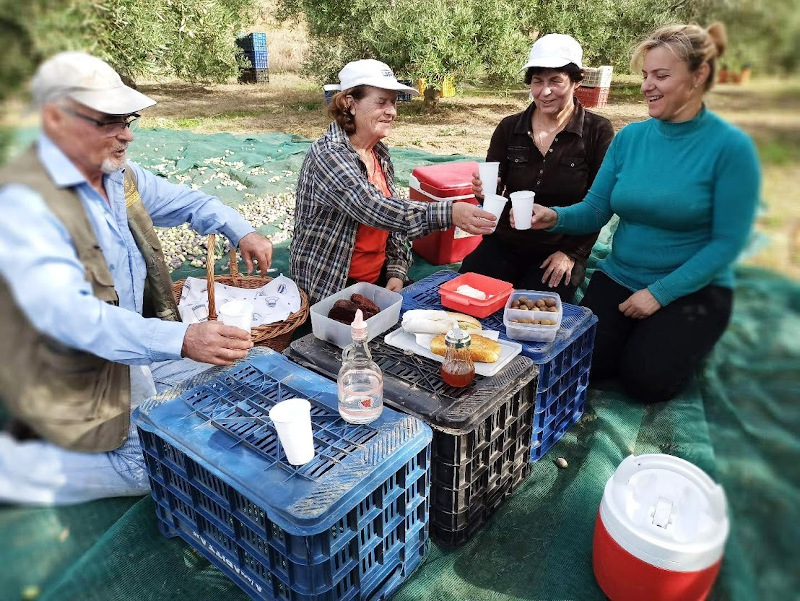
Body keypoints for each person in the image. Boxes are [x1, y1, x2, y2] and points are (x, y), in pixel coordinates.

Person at [0, 51, 275, 504]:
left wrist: (239, 228)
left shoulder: (117, 177)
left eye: (127, 119)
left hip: (129, 347)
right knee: (148, 467)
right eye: (109, 122)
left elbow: (187, 201)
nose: (126, 134)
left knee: (238, 364)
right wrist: (181, 340)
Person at [527, 23, 761, 403]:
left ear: (698, 77)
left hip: (694, 285)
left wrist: (659, 294)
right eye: (645, 75)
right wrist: (555, 217)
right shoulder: (631, 139)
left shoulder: (730, 148)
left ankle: (684, 337)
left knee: (645, 382)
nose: (646, 86)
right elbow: (595, 209)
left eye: (661, 75)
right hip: (622, 275)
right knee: (580, 362)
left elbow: (728, 243)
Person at [291, 59, 496, 304]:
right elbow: (372, 207)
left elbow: (394, 218)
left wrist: (397, 269)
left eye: (394, 102)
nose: (392, 111)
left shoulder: (378, 152)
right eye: (382, 102)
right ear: (350, 103)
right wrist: (449, 212)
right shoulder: (329, 155)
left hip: (375, 279)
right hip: (334, 283)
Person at [460, 34, 614, 303]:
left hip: (558, 247)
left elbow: (598, 204)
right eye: (537, 81)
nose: (545, 91)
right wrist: (484, 192)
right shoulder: (510, 128)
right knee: (469, 298)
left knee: (533, 312)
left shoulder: (597, 131)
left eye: (556, 81)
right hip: (506, 242)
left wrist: (573, 254)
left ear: (576, 81)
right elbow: (491, 193)